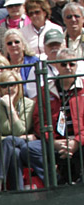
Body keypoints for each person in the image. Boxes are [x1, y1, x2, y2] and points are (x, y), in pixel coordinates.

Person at [23, 48, 84, 183]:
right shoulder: (46, 90)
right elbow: (39, 121)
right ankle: (56, 182)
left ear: (76, 66)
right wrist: (53, 141)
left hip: (80, 140)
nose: (68, 68)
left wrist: (77, 142)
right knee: (30, 149)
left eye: (71, 64)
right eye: (63, 64)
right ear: (56, 66)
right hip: (55, 141)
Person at [0, 71, 35, 190]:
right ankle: (19, 192)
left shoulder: (29, 104)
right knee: (14, 152)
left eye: (12, 85)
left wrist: (10, 108)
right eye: (4, 86)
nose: (8, 89)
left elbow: (20, 130)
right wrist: (11, 140)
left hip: (26, 146)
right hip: (6, 151)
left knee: (11, 142)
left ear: (18, 86)